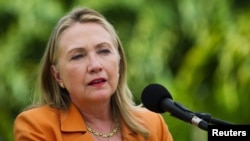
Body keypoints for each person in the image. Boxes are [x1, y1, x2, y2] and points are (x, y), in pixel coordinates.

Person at [13, 6, 173, 141]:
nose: (95, 66)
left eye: (103, 51)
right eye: (78, 56)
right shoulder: (37, 126)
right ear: (58, 76)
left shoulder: (152, 124)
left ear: (119, 62)